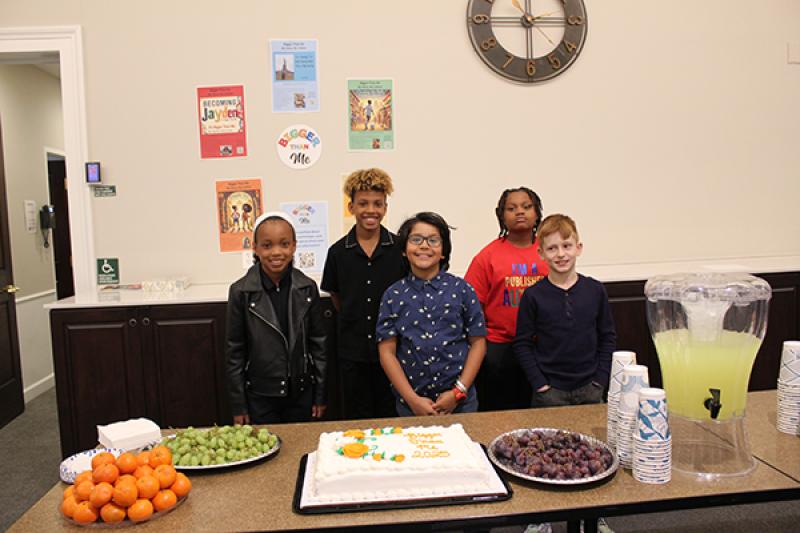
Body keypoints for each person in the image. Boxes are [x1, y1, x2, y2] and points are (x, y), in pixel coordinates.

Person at [376, 212, 487, 416]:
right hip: (411, 404)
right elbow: (387, 352)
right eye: (416, 239)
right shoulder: (392, 295)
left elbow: (478, 343)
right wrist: (412, 400)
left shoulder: (462, 289)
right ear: (404, 250)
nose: (424, 246)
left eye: (433, 240)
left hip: (461, 403)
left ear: (443, 251)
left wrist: (458, 392)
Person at [226, 212, 327, 424]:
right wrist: (238, 405)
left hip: (301, 393)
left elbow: (319, 346)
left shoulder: (307, 288)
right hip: (260, 395)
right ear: (255, 248)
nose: (276, 252)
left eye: (284, 244)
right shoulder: (241, 291)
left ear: (294, 246)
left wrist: (320, 395)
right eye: (267, 245)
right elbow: (234, 353)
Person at [321, 168, 405, 419]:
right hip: (352, 352)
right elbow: (337, 297)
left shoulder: (400, 248)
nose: (371, 210)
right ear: (351, 207)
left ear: (385, 208)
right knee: (358, 417)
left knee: (391, 415)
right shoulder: (337, 252)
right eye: (363, 203)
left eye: (377, 204)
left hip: (394, 351)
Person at [513, 214, 616, 408]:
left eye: (566, 246)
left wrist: (600, 380)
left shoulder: (595, 290)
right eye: (552, 248)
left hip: (591, 388)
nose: (560, 254)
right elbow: (522, 344)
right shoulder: (533, 295)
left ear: (578, 248)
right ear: (541, 253)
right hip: (549, 393)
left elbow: (607, 337)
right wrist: (540, 384)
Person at [465, 187, 548, 411]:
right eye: (511, 208)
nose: (519, 212)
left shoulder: (549, 251)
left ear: (537, 213)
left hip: (543, 347)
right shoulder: (487, 256)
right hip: (499, 349)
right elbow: (471, 306)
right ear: (501, 215)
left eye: (526, 207)